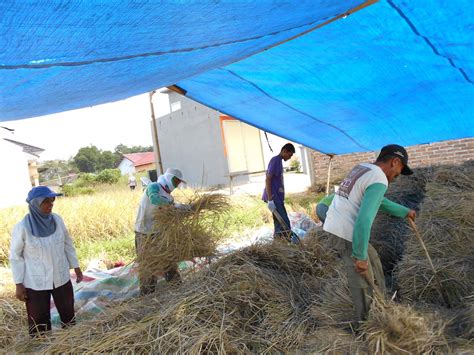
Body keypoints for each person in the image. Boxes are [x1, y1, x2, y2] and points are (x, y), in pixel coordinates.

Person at [323, 144, 416, 327]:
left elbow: (377, 201)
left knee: (372, 259)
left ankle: (381, 304)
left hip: (336, 225)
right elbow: (364, 219)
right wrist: (359, 255)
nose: (396, 178)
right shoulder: (379, 178)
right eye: (398, 172)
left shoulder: (364, 168)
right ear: (394, 161)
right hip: (346, 232)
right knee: (361, 277)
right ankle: (367, 326)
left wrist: (404, 211)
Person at [9, 186, 83, 335]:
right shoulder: (22, 227)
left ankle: (71, 340)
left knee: (68, 312)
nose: (51, 204)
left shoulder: (57, 220)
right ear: (35, 204)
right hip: (35, 282)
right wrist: (18, 284)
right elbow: (15, 257)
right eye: (46, 201)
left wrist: (76, 266)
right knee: (38, 318)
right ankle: (41, 346)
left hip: (60, 277)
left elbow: (67, 243)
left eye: (52, 200)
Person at [134, 168, 188, 295]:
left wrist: (185, 210)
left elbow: (170, 214)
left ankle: (177, 288)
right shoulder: (154, 187)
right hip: (144, 233)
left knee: (168, 260)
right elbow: (154, 199)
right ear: (168, 177)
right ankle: (147, 295)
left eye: (178, 182)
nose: (176, 184)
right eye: (175, 180)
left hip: (159, 233)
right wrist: (172, 204)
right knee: (149, 265)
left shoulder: (169, 196)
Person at [262, 143, 295, 241]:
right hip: (273, 197)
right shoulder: (275, 160)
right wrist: (270, 199)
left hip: (277, 198)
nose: (289, 158)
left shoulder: (279, 161)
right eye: (289, 155)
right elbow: (268, 179)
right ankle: (288, 244)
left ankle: (277, 245)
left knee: (278, 223)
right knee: (285, 224)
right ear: (284, 151)